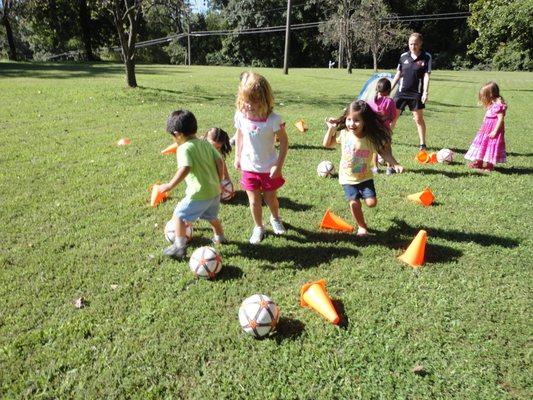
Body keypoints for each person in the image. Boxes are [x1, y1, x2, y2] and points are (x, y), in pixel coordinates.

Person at [323, 100, 404, 237]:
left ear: (365, 121)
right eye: (349, 119)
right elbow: (327, 144)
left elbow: (384, 152)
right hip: (347, 178)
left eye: (356, 120)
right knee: (354, 203)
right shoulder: (344, 134)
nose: (351, 124)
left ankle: (362, 200)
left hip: (365, 177)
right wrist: (331, 129)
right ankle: (362, 227)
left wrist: (395, 163)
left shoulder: (370, 139)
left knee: (371, 203)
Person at [159, 110, 225, 259]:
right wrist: (219, 180)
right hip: (214, 191)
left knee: (179, 216)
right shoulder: (205, 144)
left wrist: (169, 185)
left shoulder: (184, 148)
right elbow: (220, 161)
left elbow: (185, 168)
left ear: (177, 134)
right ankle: (220, 237)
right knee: (212, 217)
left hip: (198, 193)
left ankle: (179, 247)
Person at [233, 71, 289, 244]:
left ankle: (275, 218)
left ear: (264, 100)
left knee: (271, 198)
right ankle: (258, 226)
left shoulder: (273, 119)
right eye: (245, 101)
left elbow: (285, 142)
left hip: (269, 167)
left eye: (253, 102)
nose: (248, 106)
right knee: (254, 201)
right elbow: (240, 135)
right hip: (249, 167)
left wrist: (278, 166)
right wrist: (237, 156)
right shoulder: (241, 116)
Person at [390, 32, 431, 150]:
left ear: (420, 44)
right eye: (411, 44)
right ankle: (387, 139)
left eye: (416, 44)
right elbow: (398, 74)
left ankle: (422, 144)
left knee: (419, 119)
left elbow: (427, 76)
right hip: (401, 92)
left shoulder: (426, 56)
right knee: (393, 117)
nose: (413, 46)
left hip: (416, 94)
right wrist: (389, 90)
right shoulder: (403, 56)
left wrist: (425, 92)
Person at [465, 82, 507, 172]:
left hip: (494, 129)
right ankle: (479, 162)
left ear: (490, 95)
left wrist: (495, 131)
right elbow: (487, 115)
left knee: (490, 146)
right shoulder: (491, 103)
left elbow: (500, 119)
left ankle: (489, 165)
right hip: (486, 129)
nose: (482, 99)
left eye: (483, 96)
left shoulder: (498, 105)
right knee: (482, 144)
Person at [368, 77, 397, 175]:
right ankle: (389, 169)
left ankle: (375, 168)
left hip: (374, 130)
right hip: (385, 131)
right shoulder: (390, 102)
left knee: (375, 149)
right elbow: (393, 116)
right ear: (389, 90)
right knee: (387, 149)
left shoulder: (371, 100)